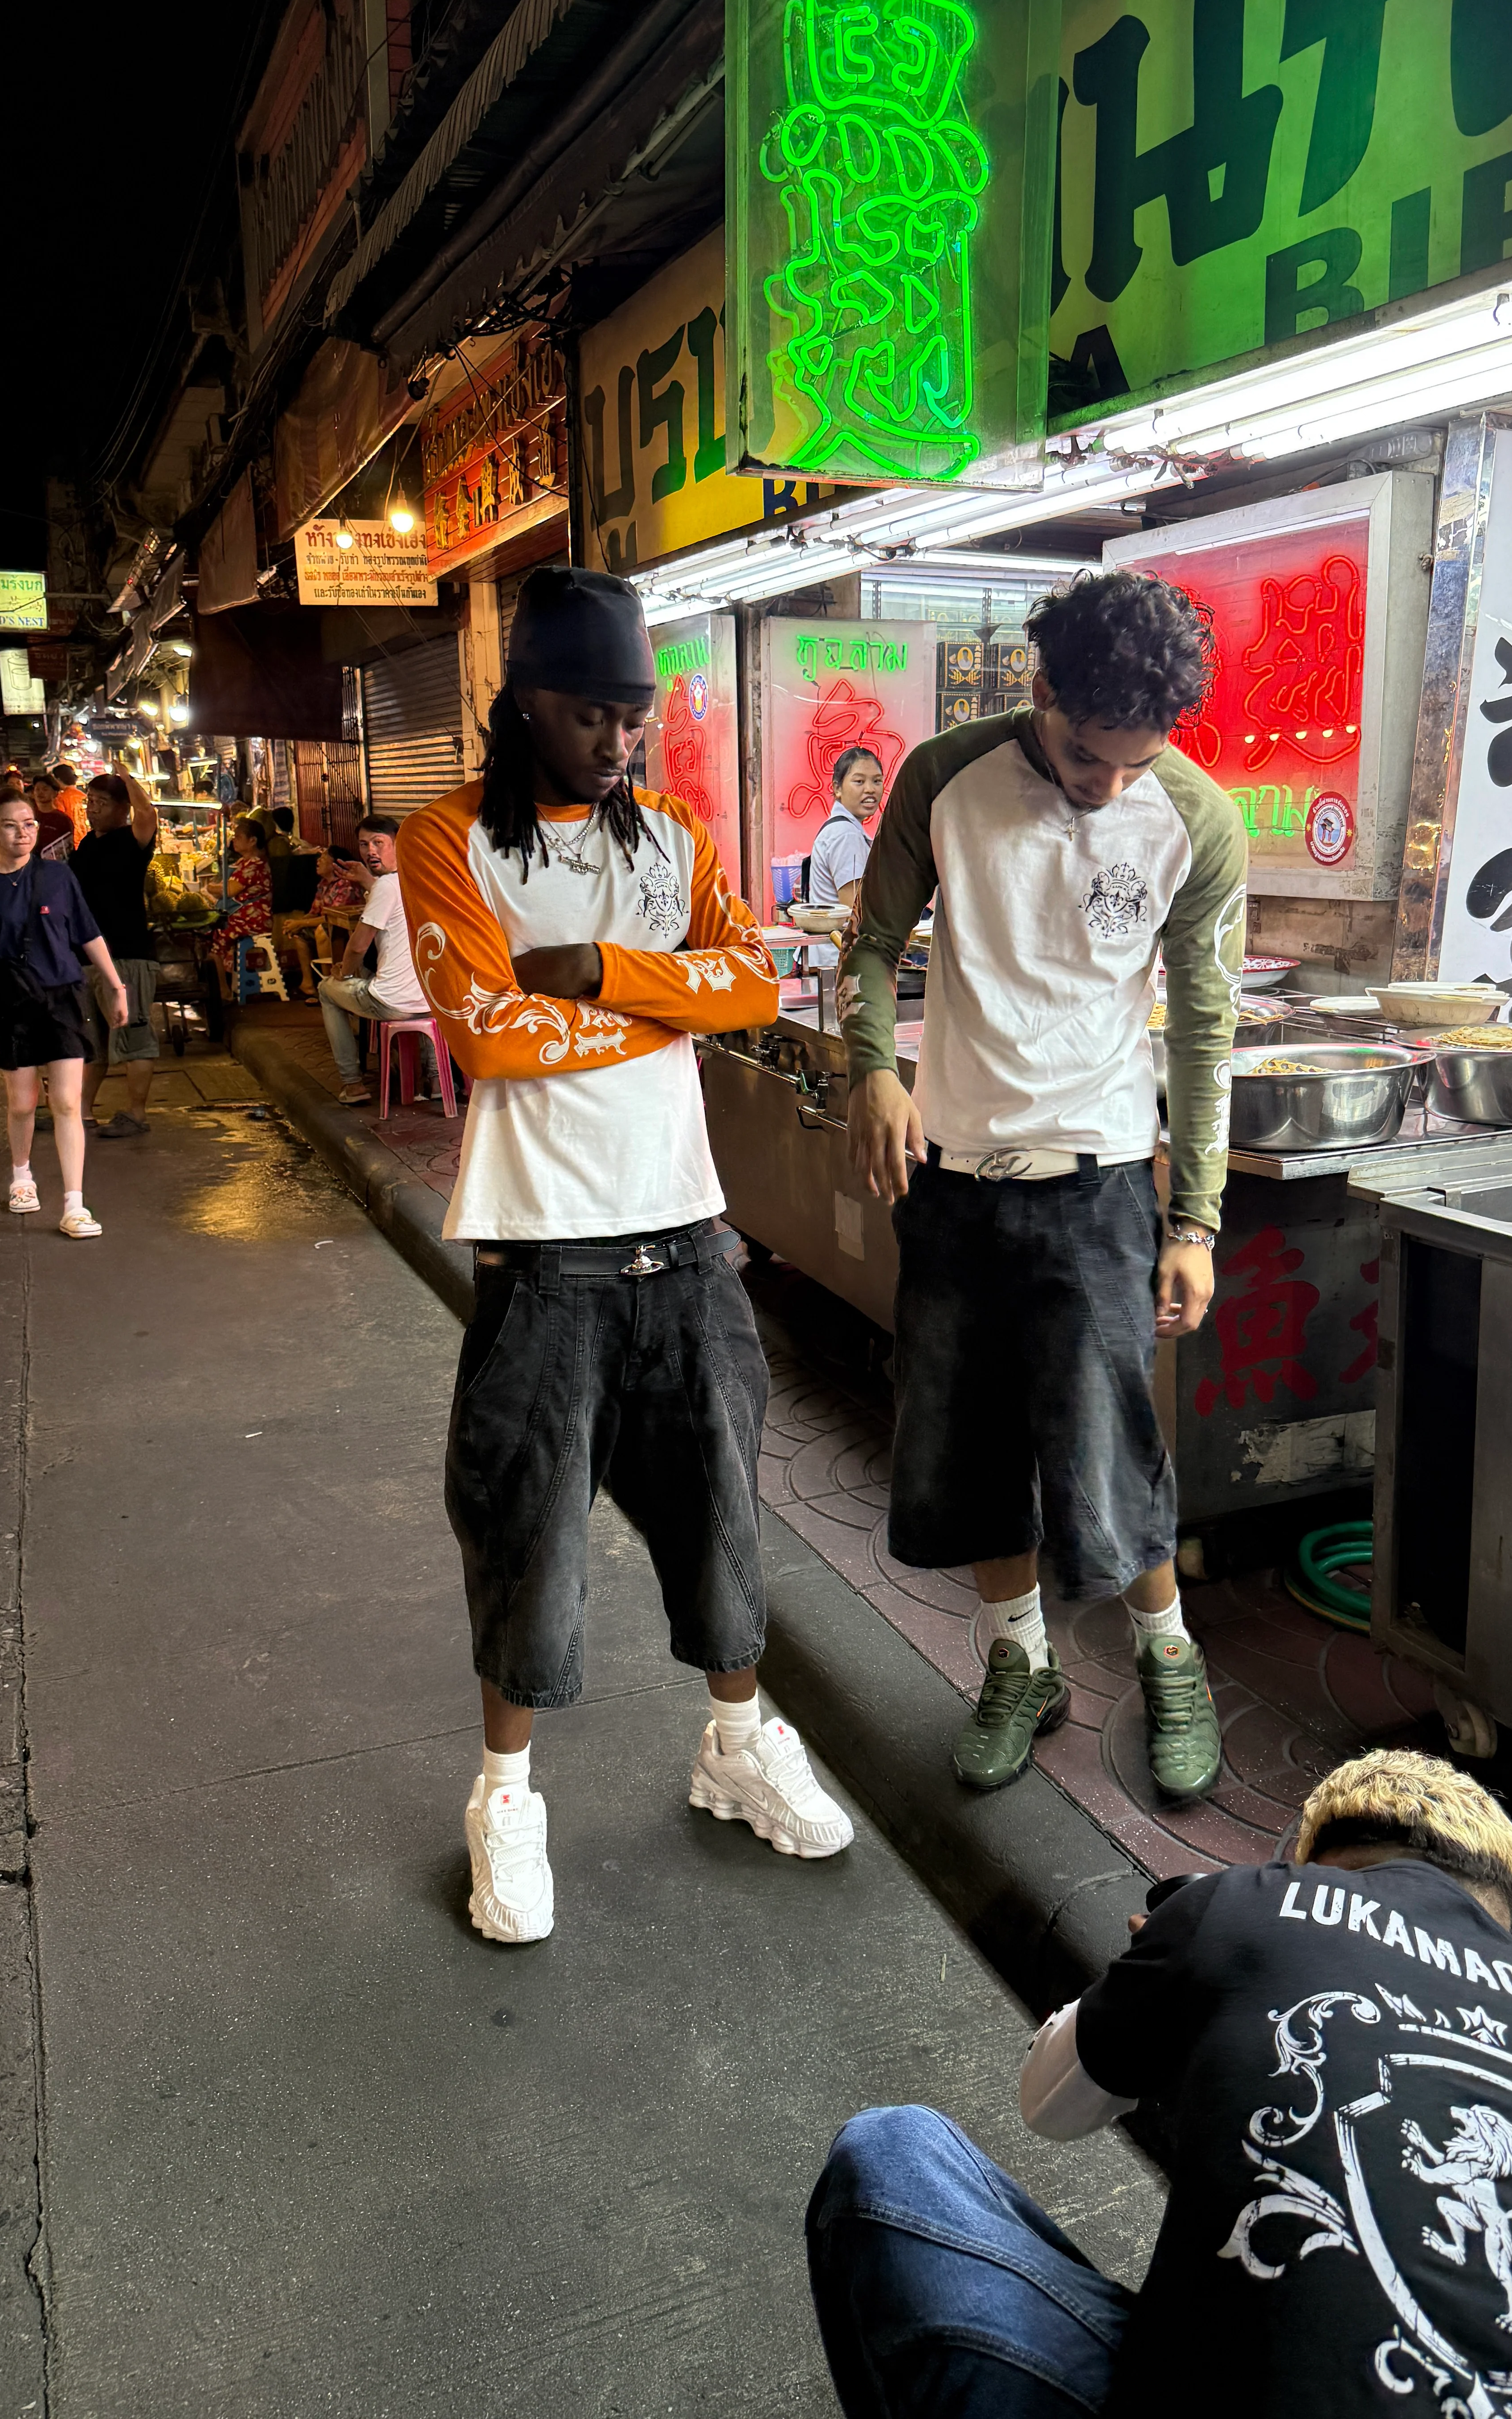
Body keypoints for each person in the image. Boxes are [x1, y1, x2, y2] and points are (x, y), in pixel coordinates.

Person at [398, 563, 852, 1949]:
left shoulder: (669, 837)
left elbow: (754, 982)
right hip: (542, 1248)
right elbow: (487, 1033)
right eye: (591, 713)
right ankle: (506, 1795)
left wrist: (598, 974)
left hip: (685, 1230)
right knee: (528, 1532)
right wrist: (671, 1004)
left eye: (634, 715)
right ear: (524, 704)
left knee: (721, 1507)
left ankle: (734, 1741)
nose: (618, 739)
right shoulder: (446, 842)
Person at [806, 1748, 1512, 2419]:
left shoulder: (1247, 1903)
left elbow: (1051, 2103)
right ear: (1501, 1905)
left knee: (892, 2157)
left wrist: (1174, 1967)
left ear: (1312, 1857)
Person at [841, 570, 1245, 1803]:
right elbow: (868, 945)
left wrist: (1197, 1219)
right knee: (966, 1445)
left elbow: (1204, 1023)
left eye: (1134, 762)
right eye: (1083, 753)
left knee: (1106, 1446)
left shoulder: (1195, 819)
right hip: (955, 1179)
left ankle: (1169, 1662)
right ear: (1041, 689)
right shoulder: (942, 777)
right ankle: (1019, 1666)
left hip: (1100, 1180)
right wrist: (870, 1069)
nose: (1104, 785)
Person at [0, 792, 128, 1240]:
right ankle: (22, 1178)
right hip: (11, 999)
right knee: (22, 1103)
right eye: (13, 825)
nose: (24, 833)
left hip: (62, 997)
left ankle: (74, 1204)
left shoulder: (58, 876)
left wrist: (115, 985)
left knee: (68, 1103)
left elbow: (88, 932)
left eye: (31, 824)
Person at [314, 814, 429, 1101]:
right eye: (364, 845)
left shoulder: (388, 886)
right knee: (370, 975)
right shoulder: (421, 876)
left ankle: (353, 1084)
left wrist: (345, 973)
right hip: (431, 998)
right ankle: (436, 1082)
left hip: (393, 1002)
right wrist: (368, 880)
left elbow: (357, 947)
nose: (370, 851)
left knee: (327, 991)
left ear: (397, 843)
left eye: (379, 843)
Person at [73, 771, 161, 1138]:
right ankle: (81, 1112)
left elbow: (149, 815)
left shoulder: (133, 840)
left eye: (101, 802)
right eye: (89, 802)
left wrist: (125, 778)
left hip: (127, 954)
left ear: (123, 808)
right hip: (87, 957)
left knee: (134, 1036)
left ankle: (136, 1113)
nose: (93, 809)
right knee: (91, 1044)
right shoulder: (87, 845)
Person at [278, 839, 368, 1000]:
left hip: (345, 930)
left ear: (335, 864)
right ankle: (308, 984)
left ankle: (329, 984)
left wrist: (300, 922)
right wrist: (296, 924)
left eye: (324, 857)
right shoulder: (323, 885)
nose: (318, 861)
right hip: (329, 924)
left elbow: (332, 918)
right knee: (300, 935)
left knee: (322, 932)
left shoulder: (346, 885)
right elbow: (315, 912)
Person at [807, 746, 885, 911]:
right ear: (838, 789)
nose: (870, 789)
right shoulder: (846, 834)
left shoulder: (841, 828)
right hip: (844, 937)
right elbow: (857, 911)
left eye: (877, 781)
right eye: (859, 782)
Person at [210, 814, 276, 1000]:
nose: (234, 840)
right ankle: (226, 984)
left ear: (253, 841)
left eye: (238, 837)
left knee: (216, 935)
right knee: (212, 931)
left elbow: (230, 890)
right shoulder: (243, 862)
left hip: (255, 919)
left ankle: (224, 991)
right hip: (243, 916)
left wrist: (211, 888)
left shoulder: (255, 865)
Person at [28, 774, 79, 864]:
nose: (41, 793)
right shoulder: (28, 817)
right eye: (37, 789)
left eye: (45, 789)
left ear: (55, 793)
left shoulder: (63, 820)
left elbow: (68, 850)